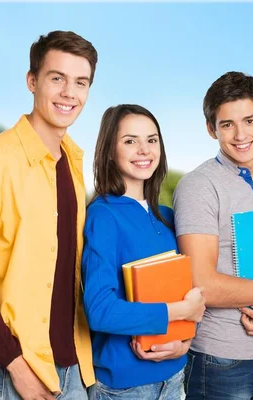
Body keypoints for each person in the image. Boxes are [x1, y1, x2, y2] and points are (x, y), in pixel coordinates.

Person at [0, 31, 98, 399]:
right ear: (32, 82)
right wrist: (16, 366)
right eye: (56, 78)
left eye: (81, 82)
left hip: (71, 367)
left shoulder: (74, 164)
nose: (69, 93)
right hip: (10, 369)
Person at [173, 71, 253, 399]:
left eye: (250, 120)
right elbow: (201, 282)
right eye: (227, 124)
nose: (241, 134)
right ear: (211, 129)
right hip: (220, 362)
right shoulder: (199, 186)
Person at [81, 104, 205, 399]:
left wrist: (183, 342)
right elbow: (100, 311)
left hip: (174, 377)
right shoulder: (103, 216)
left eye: (151, 140)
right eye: (130, 141)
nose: (144, 150)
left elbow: (185, 295)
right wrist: (179, 311)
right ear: (110, 151)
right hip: (124, 387)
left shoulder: (168, 216)